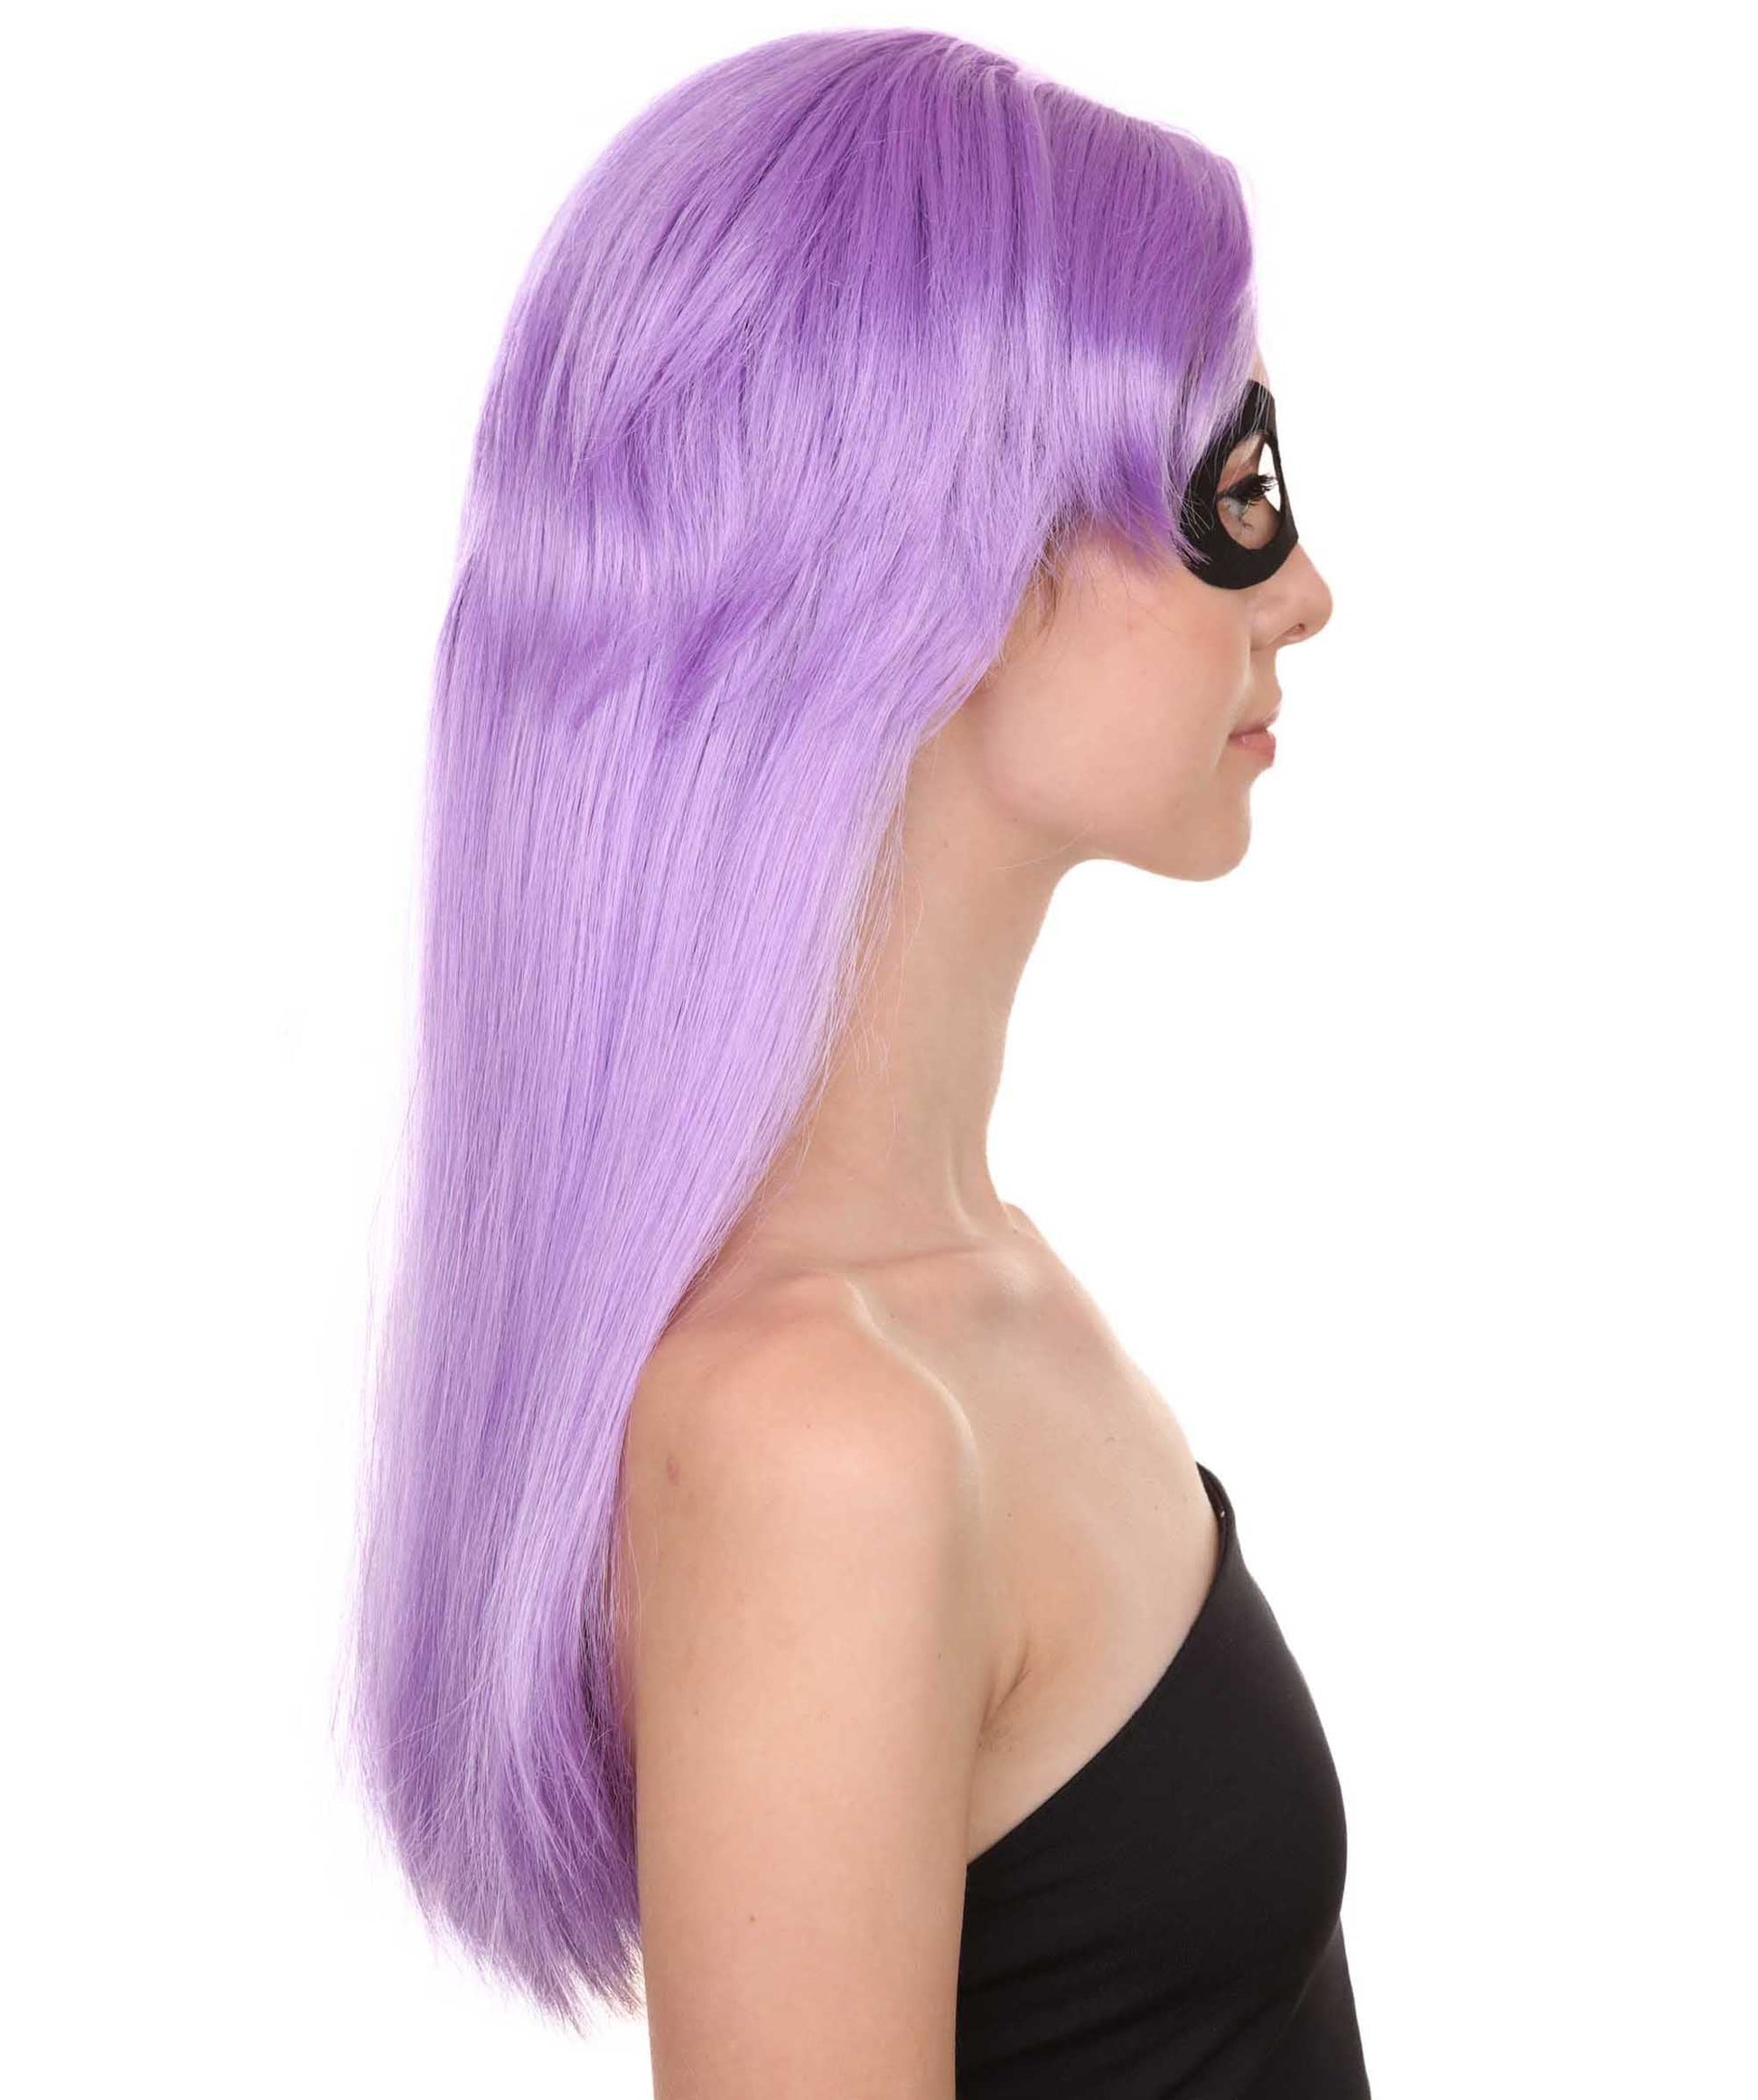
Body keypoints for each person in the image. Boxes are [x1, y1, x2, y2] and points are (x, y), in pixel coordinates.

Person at [348, 26, 1364, 2095]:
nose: (1306, 594)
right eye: (1234, 491)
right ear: (938, 554)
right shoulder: (820, 1440)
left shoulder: (976, 1287)